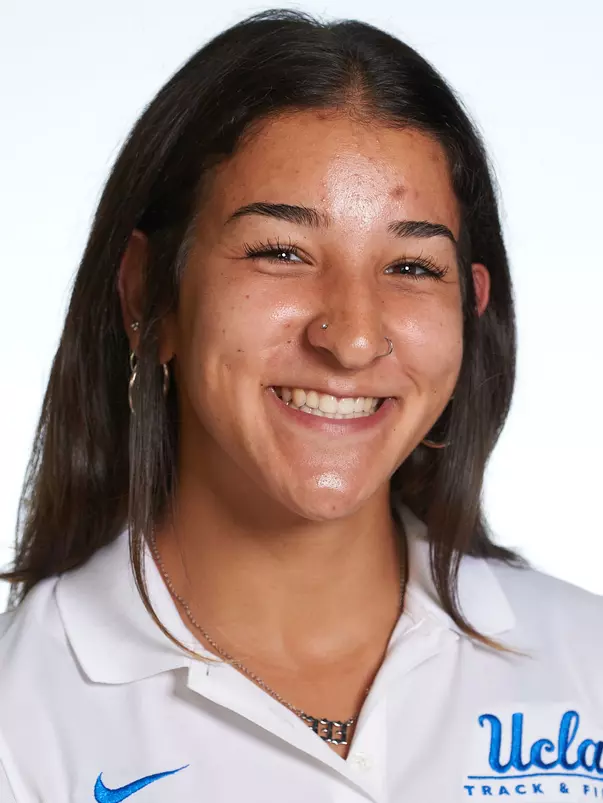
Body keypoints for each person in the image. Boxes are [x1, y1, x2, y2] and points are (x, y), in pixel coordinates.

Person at [0, 8, 601, 803]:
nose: (352, 338)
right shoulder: (22, 712)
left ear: (470, 307)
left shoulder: (585, 661)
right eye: (281, 252)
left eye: (413, 266)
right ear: (150, 292)